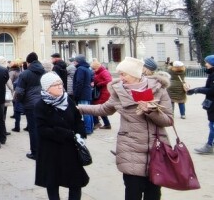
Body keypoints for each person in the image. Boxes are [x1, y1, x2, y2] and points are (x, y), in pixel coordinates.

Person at [77, 57, 173, 200]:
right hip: (130, 148)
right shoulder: (119, 91)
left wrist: (151, 111)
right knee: (132, 192)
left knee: (153, 193)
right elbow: (104, 109)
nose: (120, 78)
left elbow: (168, 120)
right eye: (119, 74)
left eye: (123, 74)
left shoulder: (159, 90)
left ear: (135, 74)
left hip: (156, 149)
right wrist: (78, 109)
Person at [35, 72, 89, 200]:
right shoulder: (40, 105)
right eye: (55, 85)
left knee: (76, 182)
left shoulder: (68, 100)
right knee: (52, 182)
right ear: (47, 88)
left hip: (70, 149)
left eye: (60, 84)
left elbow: (77, 120)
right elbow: (42, 129)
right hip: (51, 150)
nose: (60, 87)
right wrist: (65, 133)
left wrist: (80, 134)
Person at [14, 52, 45, 160]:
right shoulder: (44, 71)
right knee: (41, 127)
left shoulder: (25, 74)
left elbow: (19, 92)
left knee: (33, 129)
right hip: (43, 103)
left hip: (30, 104)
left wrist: (20, 101)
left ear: (28, 62)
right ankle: (42, 150)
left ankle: (35, 152)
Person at [187, 55, 214, 154]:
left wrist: (197, 90)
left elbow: (212, 90)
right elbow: (208, 87)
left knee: (212, 125)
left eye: (207, 62)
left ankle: (209, 146)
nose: (205, 64)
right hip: (212, 104)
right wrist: (193, 90)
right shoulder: (212, 74)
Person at [73, 55, 94, 134]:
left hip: (82, 93)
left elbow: (79, 82)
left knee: (85, 112)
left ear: (78, 61)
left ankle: (87, 129)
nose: (74, 62)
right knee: (89, 111)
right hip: (87, 92)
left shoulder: (80, 69)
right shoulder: (86, 68)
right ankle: (90, 128)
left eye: (75, 61)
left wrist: (76, 94)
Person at [91, 59, 112, 129]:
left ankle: (97, 123)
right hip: (101, 92)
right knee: (99, 108)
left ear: (97, 67)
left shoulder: (104, 72)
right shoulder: (99, 72)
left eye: (94, 68)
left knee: (96, 107)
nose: (93, 70)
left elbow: (109, 80)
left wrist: (99, 84)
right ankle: (106, 124)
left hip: (103, 93)